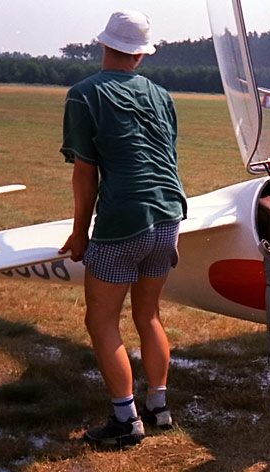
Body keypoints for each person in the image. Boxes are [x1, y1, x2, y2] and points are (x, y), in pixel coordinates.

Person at [59, 10, 187, 448]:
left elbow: (85, 173)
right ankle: (160, 405)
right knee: (148, 314)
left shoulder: (83, 94)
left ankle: (124, 419)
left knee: (101, 320)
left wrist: (80, 233)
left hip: (123, 223)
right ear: (141, 54)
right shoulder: (161, 95)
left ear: (104, 45)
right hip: (169, 214)